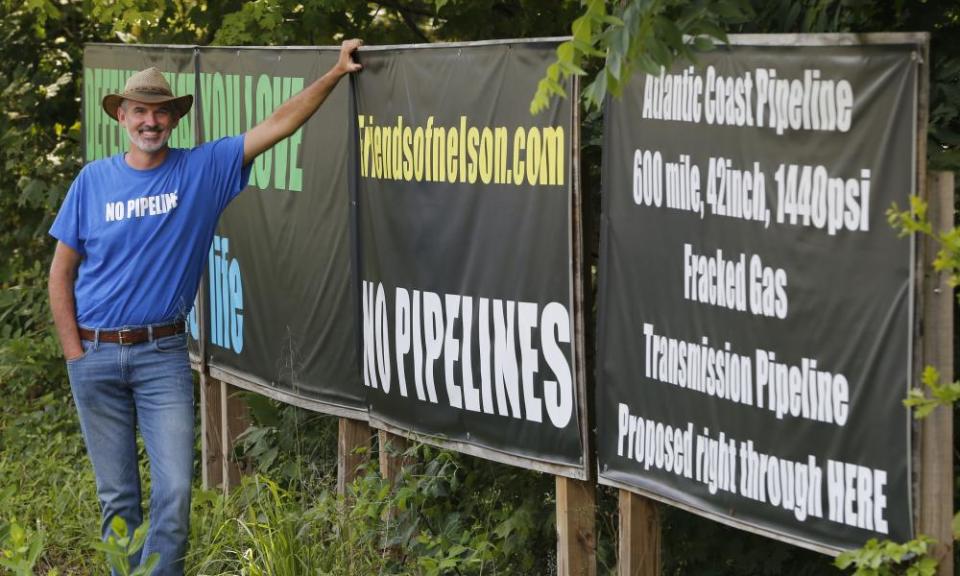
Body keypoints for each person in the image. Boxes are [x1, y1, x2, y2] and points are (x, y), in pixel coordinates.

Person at [47, 39, 362, 575]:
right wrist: (75, 354)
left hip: (161, 355)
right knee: (117, 498)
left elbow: (278, 125)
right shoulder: (92, 182)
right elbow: (61, 272)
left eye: (160, 111)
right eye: (140, 111)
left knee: (174, 488)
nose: (150, 121)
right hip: (95, 356)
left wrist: (334, 74)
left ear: (173, 118)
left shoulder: (202, 171)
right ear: (122, 116)